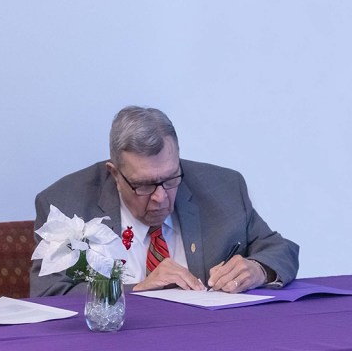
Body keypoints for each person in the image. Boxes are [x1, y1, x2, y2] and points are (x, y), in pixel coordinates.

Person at [31, 106, 299, 296]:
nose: (161, 196)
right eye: (144, 185)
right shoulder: (67, 203)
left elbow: (280, 250)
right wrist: (137, 290)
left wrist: (258, 269)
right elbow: (50, 292)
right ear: (115, 173)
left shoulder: (224, 188)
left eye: (170, 179)